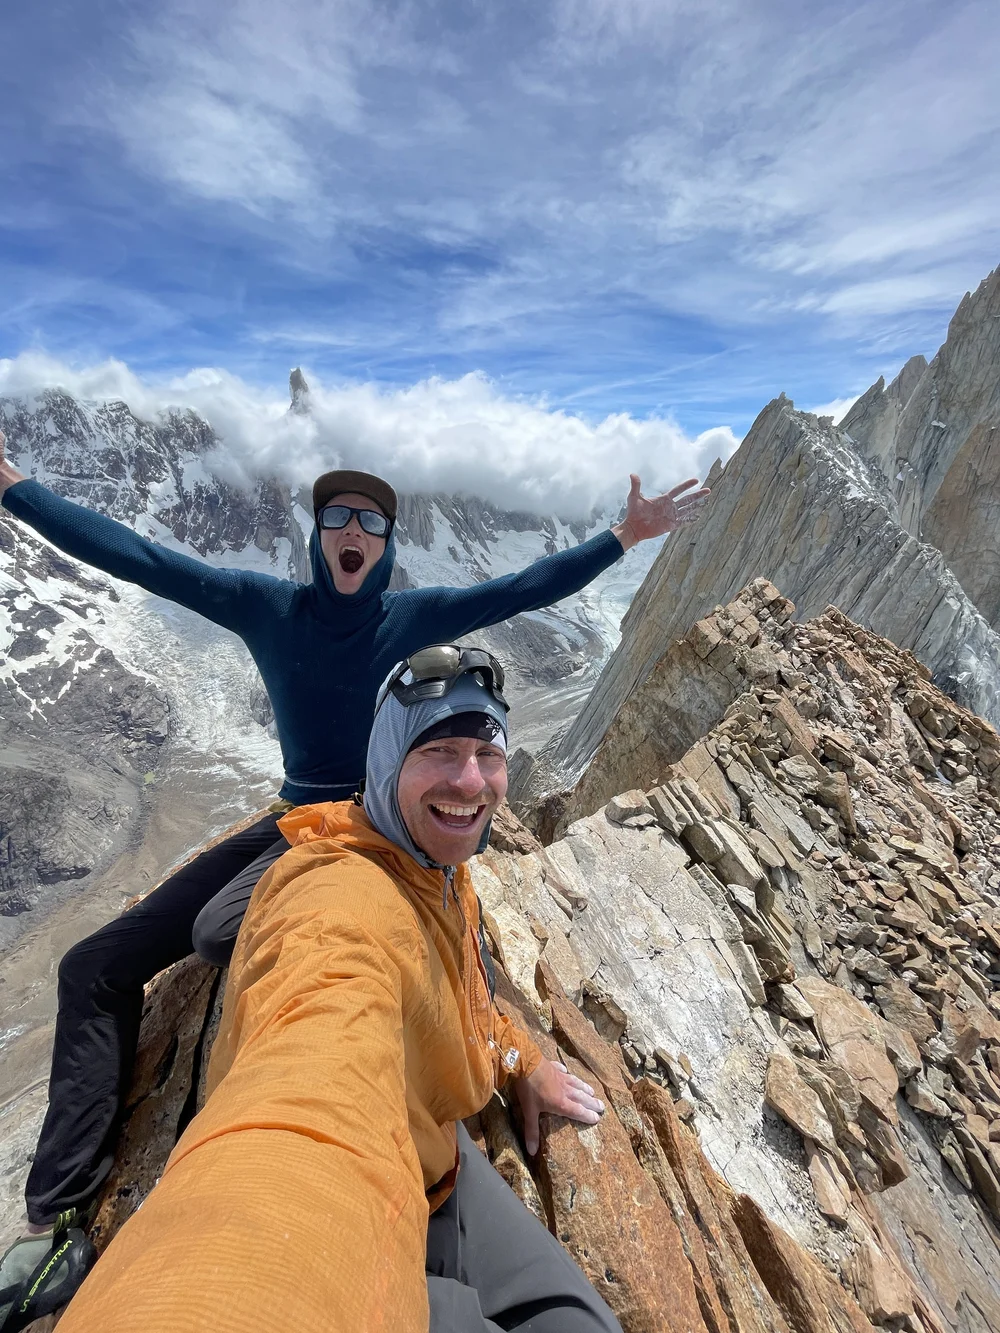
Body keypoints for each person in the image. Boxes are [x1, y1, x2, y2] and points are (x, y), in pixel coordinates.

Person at [0, 422, 706, 1324]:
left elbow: (520, 587)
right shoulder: (271, 606)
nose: (355, 532)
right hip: (292, 821)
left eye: (372, 522)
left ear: (386, 544)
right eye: (339, 516)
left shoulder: (405, 620)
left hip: (397, 829)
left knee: (283, 932)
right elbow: (144, 558)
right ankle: (59, 1222)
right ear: (319, 534)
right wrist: (14, 486)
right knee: (92, 967)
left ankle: (501, 1044)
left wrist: (623, 536)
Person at [57, 645, 623, 1333]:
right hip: (367, 1212)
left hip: (436, 1153)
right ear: (386, 762)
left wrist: (520, 1060)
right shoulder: (341, 894)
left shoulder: (435, 863)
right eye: (439, 749)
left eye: (487, 753)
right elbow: (315, 1074)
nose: (471, 780)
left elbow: (462, 988)